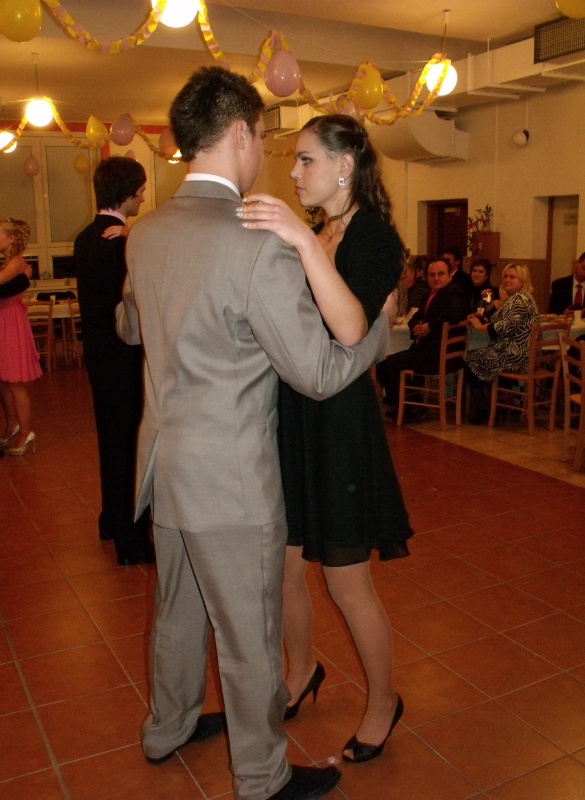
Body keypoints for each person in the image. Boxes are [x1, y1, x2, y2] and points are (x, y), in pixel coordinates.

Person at [115, 67, 392, 800]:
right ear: (240, 133)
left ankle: (167, 727)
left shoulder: (146, 233)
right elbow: (319, 374)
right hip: (231, 480)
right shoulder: (255, 243)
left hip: (165, 464)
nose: (268, 155)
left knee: (175, 614)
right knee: (247, 635)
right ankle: (263, 777)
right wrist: (378, 333)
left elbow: (130, 326)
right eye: (265, 139)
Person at [239, 113, 413, 764]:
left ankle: (383, 700)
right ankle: (303, 669)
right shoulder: (319, 232)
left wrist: (301, 242)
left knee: (345, 581)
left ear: (345, 165)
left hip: (339, 423)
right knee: (284, 567)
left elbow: (349, 330)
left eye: (305, 159)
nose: (292, 172)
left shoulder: (373, 238)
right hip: (292, 415)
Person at [73, 156, 153, 567]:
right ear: (125, 194)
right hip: (123, 355)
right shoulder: (121, 242)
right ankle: (130, 538)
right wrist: (135, 238)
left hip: (99, 354)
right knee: (128, 444)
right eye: (139, 191)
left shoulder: (85, 237)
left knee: (110, 437)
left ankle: (110, 519)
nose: (142, 198)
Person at [376, 258, 469, 417]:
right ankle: (410, 402)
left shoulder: (454, 293)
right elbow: (415, 317)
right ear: (427, 277)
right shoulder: (429, 295)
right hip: (427, 351)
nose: (436, 278)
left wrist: (430, 326)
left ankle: (407, 405)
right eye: (432, 274)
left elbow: (455, 313)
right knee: (388, 363)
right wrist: (415, 327)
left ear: (449, 276)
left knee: (386, 365)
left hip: (437, 355)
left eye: (440, 274)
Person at [465, 262, 540, 423]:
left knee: (470, 360)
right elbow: (497, 317)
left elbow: (502, 327)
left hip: (517, 356)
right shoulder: (515, 297)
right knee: (478, 358)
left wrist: (479, 326)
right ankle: (498, 406)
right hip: (517, 352)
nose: (507, 280)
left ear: (523, 281)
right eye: (505, 276)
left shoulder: (519, 300)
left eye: (512, 277)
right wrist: (484, 316)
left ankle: (487, 410)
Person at [0, 218, 41, 456]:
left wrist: (24, 277)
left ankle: (26, 432)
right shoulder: (7, 262)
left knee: (14, 381)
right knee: (4, 380)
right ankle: (12, 426)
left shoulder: (16, 261)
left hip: (11, 321)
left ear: (11, 238)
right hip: (3, 319)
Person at [548, 251, 585, 315]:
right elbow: (552, 312)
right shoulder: (559, 285)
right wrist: (563, 314)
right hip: (566, 320)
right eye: (584, 268)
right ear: (577, 263)